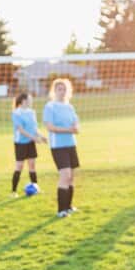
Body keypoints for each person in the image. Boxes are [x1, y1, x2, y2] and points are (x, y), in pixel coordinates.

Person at [42, 78, 80, 217]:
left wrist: (75, 128)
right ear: (54, 91)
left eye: (64, 89)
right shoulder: (50, 106)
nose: (62, 92)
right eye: (59, 89)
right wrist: (69, 130)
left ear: (68, 91)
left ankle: (69, 207)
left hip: (71, 145)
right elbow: (50, 127)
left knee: (71, 177)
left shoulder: (70, 107)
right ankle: (61, 210)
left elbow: (76, 126)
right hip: (58, 146)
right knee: (65, 176)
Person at [10, 92, 47, 195]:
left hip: (31, 142)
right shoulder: (16, 113)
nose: (31, 101)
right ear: (23, 101)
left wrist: (41, 136)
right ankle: (13, 191)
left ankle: (36, 188)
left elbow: (34, 128)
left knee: (32, 166)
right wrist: (34, 138)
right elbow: (21, 130)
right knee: (19, 166)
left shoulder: (32, 112)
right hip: (20, 143)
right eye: (30, 99)